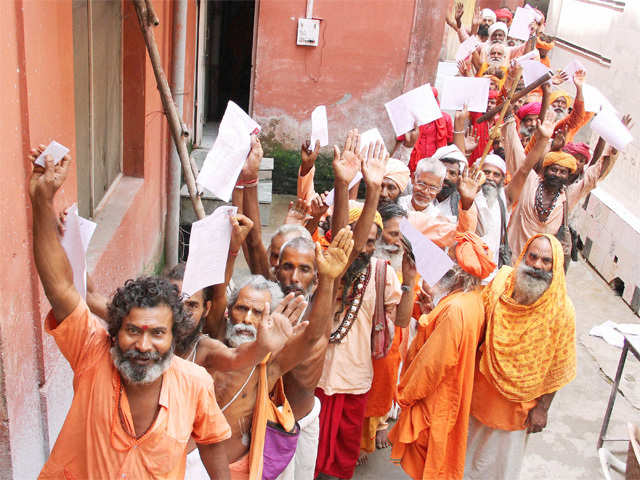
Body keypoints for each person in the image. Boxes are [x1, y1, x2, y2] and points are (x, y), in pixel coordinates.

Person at [28, 148, 232, 479]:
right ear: (114, 331)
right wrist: (41, 202)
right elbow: (60, 288)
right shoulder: (92, 353)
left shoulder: (195, 383)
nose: (143, 345)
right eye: (133, 330)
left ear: (173, 335)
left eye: (157, 333)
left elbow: (210, 442)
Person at [314, 135, 417, 479]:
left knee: (341, 464)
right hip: (315, 377)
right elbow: (349, 245)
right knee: (307, 459)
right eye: (363, 240)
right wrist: (347, 186)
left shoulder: (382, 272)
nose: (366, 248)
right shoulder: (327, 265)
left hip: (356, 380)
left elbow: (401, 319)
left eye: (372, 241)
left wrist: (409, 280)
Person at [217, 226, 353, 479]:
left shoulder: (284, 344)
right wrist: (233, 250)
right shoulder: (217, 348)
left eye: (256, 313)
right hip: (245, 439)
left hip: (291, 422)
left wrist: (329, 280)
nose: (247, 319)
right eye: (241, 309)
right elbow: (255, 245)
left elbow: (312, 336)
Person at [464, 234, 576, 479]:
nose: (537, 265)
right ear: (523, 255)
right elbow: (474, 323)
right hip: (478, 394)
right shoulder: (500, 284)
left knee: (499, 469)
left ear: (555, 266)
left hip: (518, 410)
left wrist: (542, 409)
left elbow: (558, 366)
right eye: (533, 256)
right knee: (464, 462)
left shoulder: (562, 310)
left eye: (546, 261)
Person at [389, 233, 496, 480]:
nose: (443, 261)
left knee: (429, 464)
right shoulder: (471, 300)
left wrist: (404, 394)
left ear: (458, 271)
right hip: (449, 397)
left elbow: (432, 365)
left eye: (449, 258)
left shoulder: (456, 309)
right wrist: (431, 313)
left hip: (437, 401)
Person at [505, 109, 616, 260]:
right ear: (545, 170)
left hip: (540, 267)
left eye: (562, 172)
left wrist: (613, 148)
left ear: (568, 175)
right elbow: (516, 153)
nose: (557, 174)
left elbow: (594, 176)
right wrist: (508, 115)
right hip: (510, 259)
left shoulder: (568, 196)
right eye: (554, 169)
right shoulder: (530, 182)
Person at [398, 157, 481, 249]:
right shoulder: (398, 204)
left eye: (433, 188)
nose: (425, 191)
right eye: (422, 184)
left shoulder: (439, 219)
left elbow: (461, 237)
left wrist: (466, 203)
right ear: (413, 179)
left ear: (440, 187)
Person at [398, 88, 453, 175]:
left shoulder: (445, 118)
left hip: (436, 163)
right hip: (413, 164)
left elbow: (450, 141)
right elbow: (400, 139)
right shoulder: (411, 119)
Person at [476, 154, 510, 277]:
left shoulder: (503, 200)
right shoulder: (469, 195)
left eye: (496, 174)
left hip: (490, 274)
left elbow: (523, 171)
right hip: (464, 268)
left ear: (502, 179)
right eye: (486, 172)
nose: (490, 177)